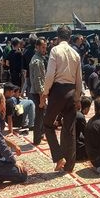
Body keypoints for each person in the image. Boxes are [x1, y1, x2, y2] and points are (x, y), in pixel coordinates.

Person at [41, 25, 83, 173]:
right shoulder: (75, 54)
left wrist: (45, 92)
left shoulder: (55, 50)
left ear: (58, 37)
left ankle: (59, 157)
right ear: (70, 38)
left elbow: (50, 75)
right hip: (71, 91)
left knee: (47, 124)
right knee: (69, 129)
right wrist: (77, 97)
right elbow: (79, 79)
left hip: (58, 91)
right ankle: (69, 165)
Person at [29, 38, 47, 145]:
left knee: (42, 114)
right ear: (37, 47)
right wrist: (41, 96)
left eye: (45, 47)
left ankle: (40, 135)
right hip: (37, 93)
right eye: (43, 47)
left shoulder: (38, 59)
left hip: (38, 92)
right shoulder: (37, 61)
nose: (45, 49)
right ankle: (37, 139)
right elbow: (38, 79)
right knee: (39, 117)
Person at [75, 96, 92, 161]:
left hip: (66, 146)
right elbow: (86, 134)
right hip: (75, 149)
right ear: (87, 108)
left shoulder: (75, 112)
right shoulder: (80, 117)